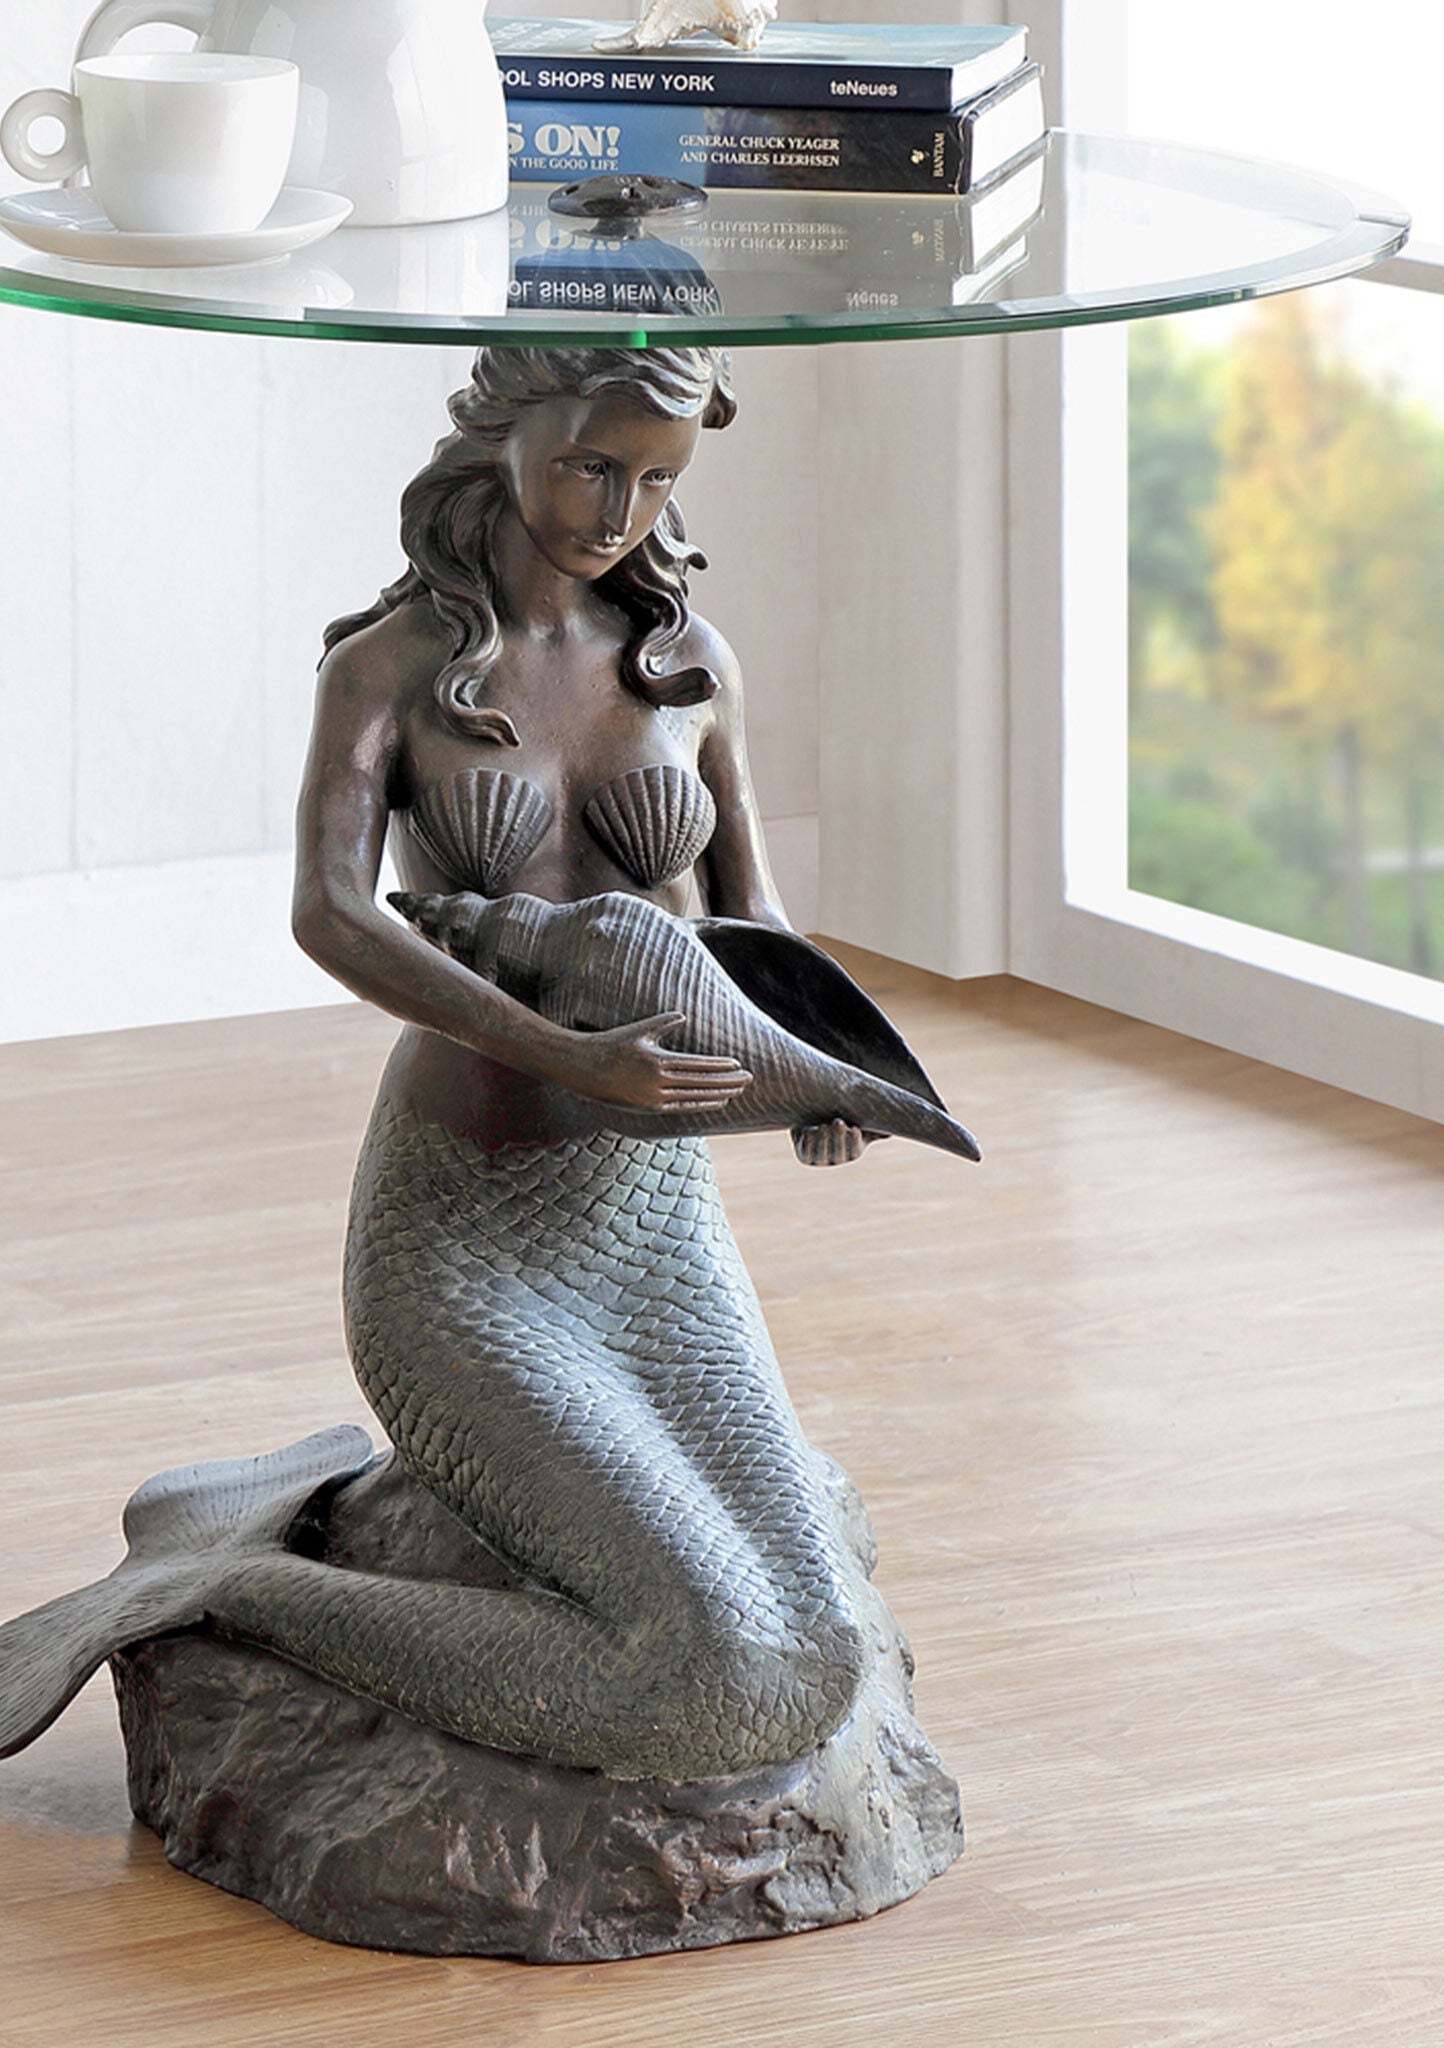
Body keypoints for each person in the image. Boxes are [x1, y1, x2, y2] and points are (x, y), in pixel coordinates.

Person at [249, 346, 877, 1777]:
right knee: (711, 1669)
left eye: (657, 480)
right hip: (467, 1220)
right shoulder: (392, 667)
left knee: (818, 1650)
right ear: (504, 437)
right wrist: (561, 1052)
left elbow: (752, 917)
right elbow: (330, 912)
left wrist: (815, 1060)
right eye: (594, 464)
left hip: (656, 1228)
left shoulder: (687, 661)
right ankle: (235, 1590)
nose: (619, 511)